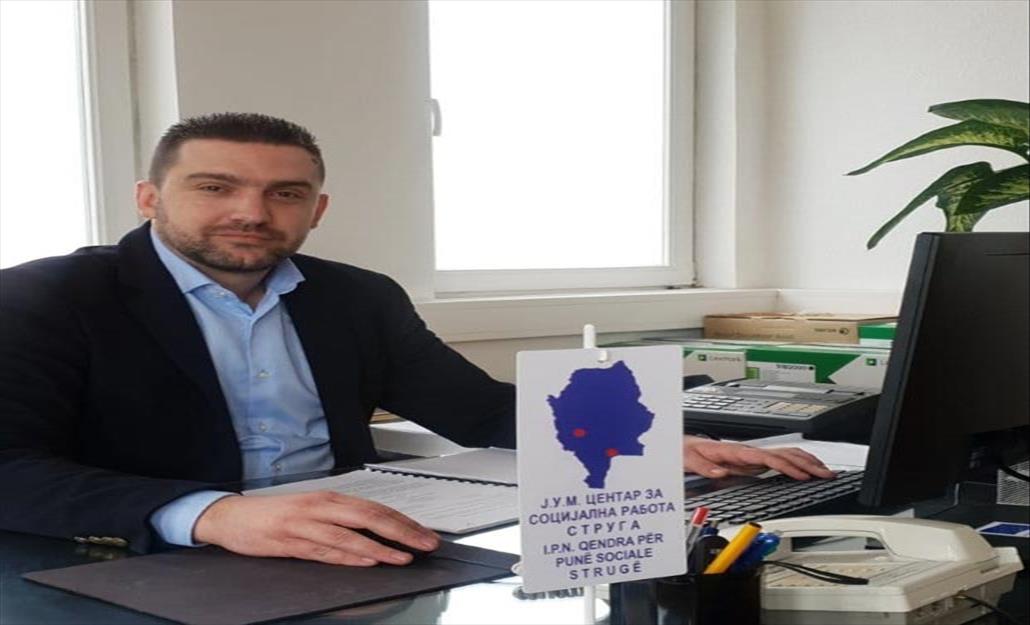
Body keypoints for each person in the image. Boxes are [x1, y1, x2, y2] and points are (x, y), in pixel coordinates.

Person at [0, 113, 833, 568]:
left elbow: (477, 409)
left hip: (349, 542)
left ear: (317, 208)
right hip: (139, 555)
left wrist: (645, 444)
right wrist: (214, 512)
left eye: (285, 193)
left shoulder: (354, 296)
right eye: (215, 187)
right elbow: (9, 466)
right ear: (149, 197)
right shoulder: (45, 297)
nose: (251, 212)